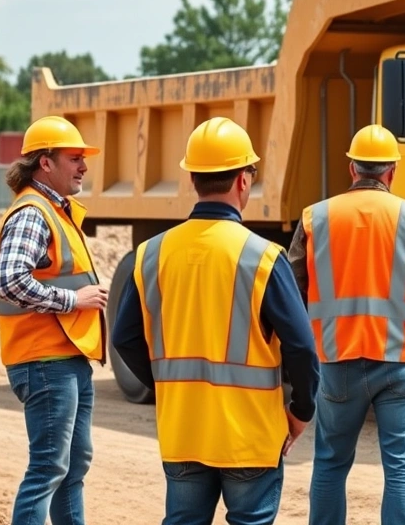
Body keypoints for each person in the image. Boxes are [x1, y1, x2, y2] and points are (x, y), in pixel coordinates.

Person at [111, 117, 320, 525]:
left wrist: (169, 389)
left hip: (184, 431)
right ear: (244, 180)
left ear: (192, 180)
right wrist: (300, 411)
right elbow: (302, 348)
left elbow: (123, 337)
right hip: (249, 437)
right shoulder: (263, 257)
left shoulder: (151, 255)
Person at [287, 124, 405, 525]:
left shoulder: (316, 218)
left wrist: (306, 348)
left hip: (338, 360)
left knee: (330, 462)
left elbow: (291, 291)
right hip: (400, 360)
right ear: (392, 172)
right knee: (401, 465)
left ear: (351, 169)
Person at [0, 115, 109, 525]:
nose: (83, 166)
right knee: (48, 468)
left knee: (72, 469)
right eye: (74, 158)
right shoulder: (33, 212)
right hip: (44, 361)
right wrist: (71, 299)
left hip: (67, 357)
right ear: (45, 162)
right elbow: (8, 281)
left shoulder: (55, 210)